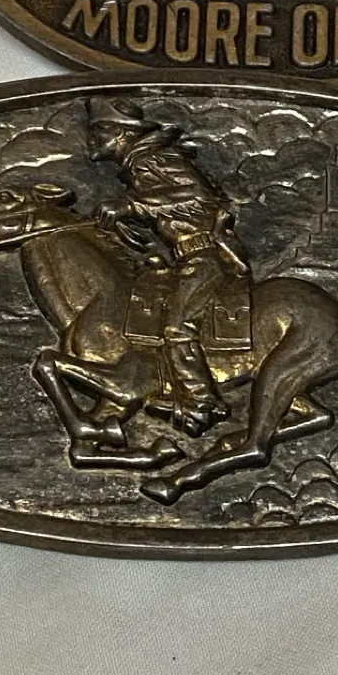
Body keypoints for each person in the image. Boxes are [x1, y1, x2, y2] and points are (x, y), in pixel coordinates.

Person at [86, 96, 248, 437]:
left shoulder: (152, 159)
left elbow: (198, 197)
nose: (92, 139)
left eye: (100, 131)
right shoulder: (138, 163)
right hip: (184, 256)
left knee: (177, 327)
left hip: (205, 256)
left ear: (122, 133)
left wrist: (132, 205)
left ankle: (202, 402)